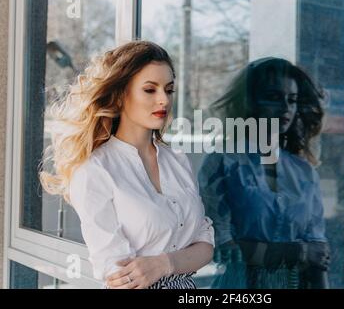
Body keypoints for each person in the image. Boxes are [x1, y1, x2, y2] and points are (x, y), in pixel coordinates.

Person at [39, 41, 215, 289]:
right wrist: (179, 260)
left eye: (169, 89)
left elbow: (206, 245)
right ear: (121, 95)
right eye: (150, 90)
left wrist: (164, 263)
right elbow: (121, 276)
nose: (163, 99)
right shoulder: (95, 170)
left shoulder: (178, 160)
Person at [198, 57, 330, 289]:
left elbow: (318, 255)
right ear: (249, 102)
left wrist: (300, 254)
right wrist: (296, 251)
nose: (285, 108)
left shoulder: (304, 171)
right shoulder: (222, 162)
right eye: (273, 97)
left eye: (292, 100)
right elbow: (220, 250)